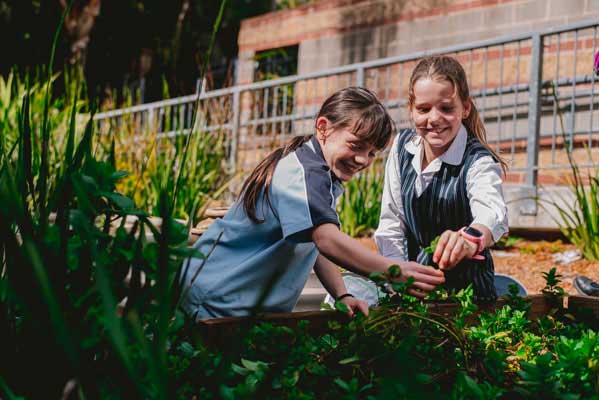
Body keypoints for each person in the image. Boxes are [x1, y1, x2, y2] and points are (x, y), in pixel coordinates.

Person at [181, 87, 445, 320]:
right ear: (323, 128)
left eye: (372, 153)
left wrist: (341, 295)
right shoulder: (303, 172)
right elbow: (326, 240)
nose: (363, 159)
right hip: (217, 300)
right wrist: (391, 271)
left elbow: (314, 245)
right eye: (356, 145)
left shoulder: (321, 176)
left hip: (239, 304)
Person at [374, 56, 509, 302]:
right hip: (411, 287)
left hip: (466, 297)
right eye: (423, 109)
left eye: (446, 108)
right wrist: (397, 275)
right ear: (411, 109)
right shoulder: (402, 147)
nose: (434, 119)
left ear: (465, 108)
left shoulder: (478, 161)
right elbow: (392, 221)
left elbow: (492, 213)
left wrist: (469, 239)